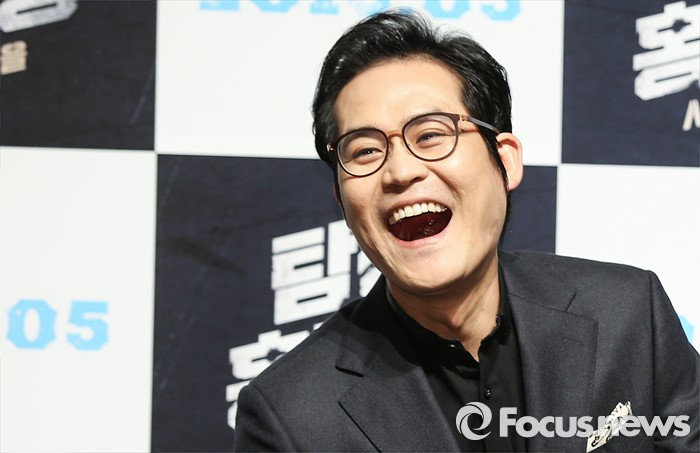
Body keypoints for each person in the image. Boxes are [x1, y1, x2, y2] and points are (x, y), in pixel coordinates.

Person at [234, 10, 699, 452]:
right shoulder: (291, 416)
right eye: (365, 151)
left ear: (505, 161)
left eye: (430, 135)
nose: (400, 171)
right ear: (341, 201)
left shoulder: (629, 315)